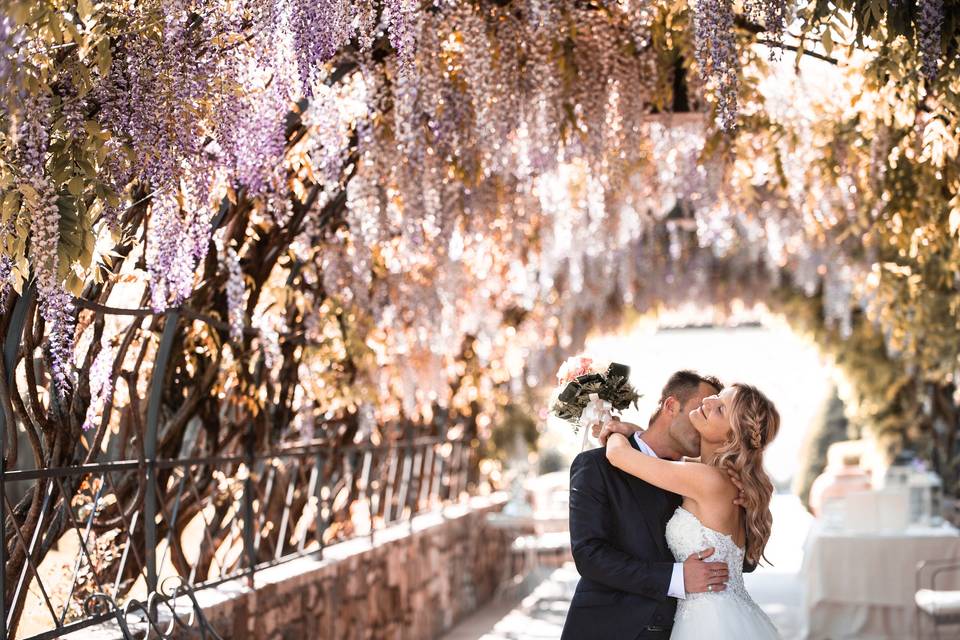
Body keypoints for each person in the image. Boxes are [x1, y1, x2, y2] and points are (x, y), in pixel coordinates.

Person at [561, 371, 754, 640]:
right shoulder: (596, 465)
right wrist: (676, 578)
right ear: (671, 406)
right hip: (610, 629)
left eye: (714, 411)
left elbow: (741, 564)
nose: (703, 418)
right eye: (700, 408)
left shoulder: (707, 479)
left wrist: (743, 514)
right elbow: (589, 555)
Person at [604, 382, 782, 639]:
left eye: (720, 409)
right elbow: (660, 458)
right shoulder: (724, 479)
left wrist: (615, 430)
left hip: (709, 624)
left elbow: (619, 456)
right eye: (717, 397)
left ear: (732, 436)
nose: (707, 402)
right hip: (723, 615)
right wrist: (637, 430)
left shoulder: (706, 479)